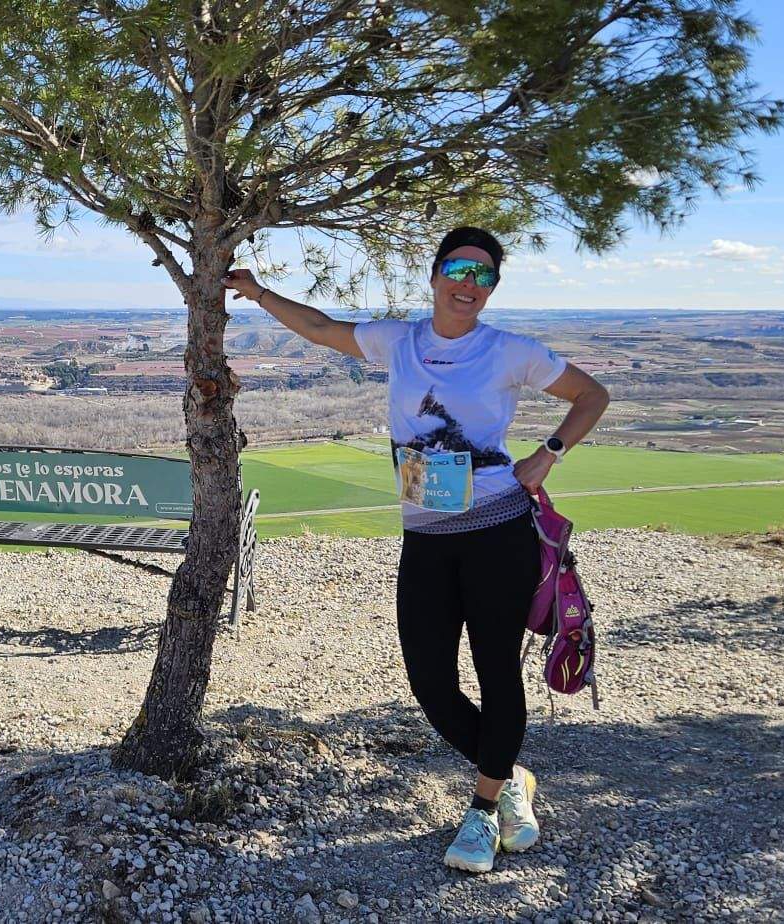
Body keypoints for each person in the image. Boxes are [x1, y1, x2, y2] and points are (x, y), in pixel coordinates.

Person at [224, 227, 610, 874]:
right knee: (430, 682)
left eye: (484, 276)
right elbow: (321, 328)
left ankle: (484, 813)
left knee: (495, 672)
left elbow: (591, 395)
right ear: (434, 276)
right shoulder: (399, 341)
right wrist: (259, 292)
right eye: (460, 269)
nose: (469, 285)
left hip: (497, 529)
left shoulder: (511, 351)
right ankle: (510, 777)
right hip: (427, 537)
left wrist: (549, 455)